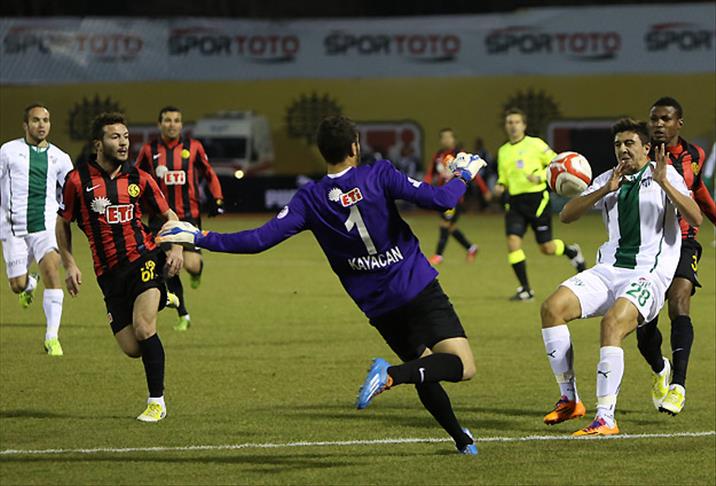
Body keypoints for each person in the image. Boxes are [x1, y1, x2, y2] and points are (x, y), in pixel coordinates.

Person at [157, 115, 485, 455]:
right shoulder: (379, 173)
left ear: (322, 151)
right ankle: (391, 375)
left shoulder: (310, 199)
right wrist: (463, 175)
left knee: (424, 366)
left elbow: (258, 240)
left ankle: (462, 440)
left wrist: (201, 236)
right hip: (416, 286)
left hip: (379, 305)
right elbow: (442, 200)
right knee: (462, 366)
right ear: (354, 147)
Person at [539, 118, 701, 436]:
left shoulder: (665, 174)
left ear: (646, 148)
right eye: (617, 145)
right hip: (607, 271)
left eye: (629, 143)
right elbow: (567, 215)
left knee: (612, 323)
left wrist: (665, 183)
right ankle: (570, 399)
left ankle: (605, 418)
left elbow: (695, 217)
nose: (623, 149)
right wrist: (604, 189)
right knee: (552, 308)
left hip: (648, 275)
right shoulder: (608, 178)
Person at [56, 112, 184, 422]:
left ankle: (157, 402)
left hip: (144, 259)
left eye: (126, 136)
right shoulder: (77, 181)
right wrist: (69, 263)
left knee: (144, 328)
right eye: (115, 137)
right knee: (132, 348)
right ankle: (163, 298)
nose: (124, 142)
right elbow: (62, 222)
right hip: (108, 275)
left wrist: (177, 247)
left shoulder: (140, 178)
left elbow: (170, 216)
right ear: (98, 144)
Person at [636, 97, 716, 415]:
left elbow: (699, 193)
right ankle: (661, 368)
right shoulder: (639, 154)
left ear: (678, 123)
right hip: (647, 247)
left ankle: (678, 386)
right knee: (644, 328)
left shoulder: (694, 155)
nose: (658, 124)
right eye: (654, 119)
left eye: (665, 119)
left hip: (683, 241)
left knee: (680, 299)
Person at [135, 106, 224, 331]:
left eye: (176, 120)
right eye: (167, 120)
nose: (172, 124)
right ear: (159, 124)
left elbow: (209, 173)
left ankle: (197, 272)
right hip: (161, 218)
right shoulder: (149, 150)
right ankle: (183, 313)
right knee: (170, 264)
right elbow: (134, 177)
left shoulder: (193, 147)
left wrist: (217, 198)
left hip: (188, 216)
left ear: (181, 124)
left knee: (191, 265)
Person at [0, 103, 73, 356]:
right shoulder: (8, 151)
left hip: (46, 225)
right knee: (17, 285)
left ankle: (52, 337)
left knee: (52, 269)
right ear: (25, 125)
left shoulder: (60, 158)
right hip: (14, 228)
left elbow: (71, 190)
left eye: (46, 120)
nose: (41, 125)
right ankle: (29, 283)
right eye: (36, 120)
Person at [494, 108, 586, 301]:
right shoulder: (503, 151)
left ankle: (571, 251)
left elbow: (557, 163)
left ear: (524, 125)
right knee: (512, 243)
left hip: (537, 200)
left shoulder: (535, 144)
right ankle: (526, 289)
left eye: (517, 122)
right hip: (515, 202)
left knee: (547, 248)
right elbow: (504, 175)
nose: (513, 126)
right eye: (510, 122)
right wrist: (500, 185)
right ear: (506, 126)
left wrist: (540, 176)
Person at [424, 128, 479, 265]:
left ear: (454, 139)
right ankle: (471, 248)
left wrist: (484, 190)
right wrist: (424, 186)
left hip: (455, 196)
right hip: (441, 194)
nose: (446, 140)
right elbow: (430, 173)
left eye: (449, 137)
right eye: (444, 137)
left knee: (445, 224)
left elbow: (473, 173)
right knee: (450, 227)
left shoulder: (460, 155)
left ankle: (438, 255)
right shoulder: (438, 156)